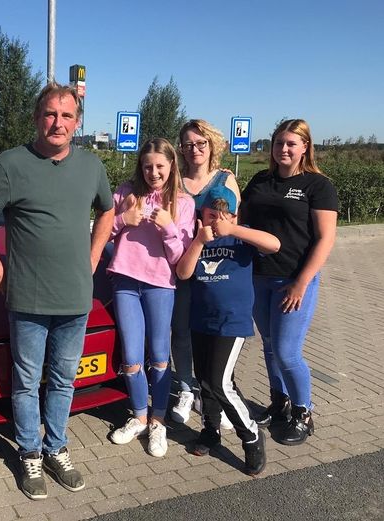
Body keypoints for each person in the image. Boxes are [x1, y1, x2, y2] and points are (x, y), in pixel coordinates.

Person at [0, 82, 114, 500]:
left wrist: (93, 258)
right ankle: (29, 452)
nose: (57, 123)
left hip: (75, 296)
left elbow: (108, 211)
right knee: (27, 381)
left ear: (77, 122)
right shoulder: (12, 164)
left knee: (64, 379)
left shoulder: (91, 166)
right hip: (28, 298)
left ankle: (56, 448)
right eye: (50, 114)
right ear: (36, 118)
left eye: (66, 116)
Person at [240, 119, 338, 445]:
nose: (283, 149)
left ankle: (303, 412)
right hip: (258, 277)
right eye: (279, 142)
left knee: (287, 352)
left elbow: (325, 239)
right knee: (269, 344)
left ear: (305, 147)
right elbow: (241, 220)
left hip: (293, 279)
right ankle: (279, 402)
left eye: (291, 143)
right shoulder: (260, 180)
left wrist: (302, 282)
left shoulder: (317, 186)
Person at [176, 186, 280, 475]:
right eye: (212, 215)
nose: (217, 222)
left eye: (224, 216)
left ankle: (251, 435)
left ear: (235, 216)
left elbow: (274, 244)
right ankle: (210, 430)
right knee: (205, 381)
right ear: (202, 215)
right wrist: (199, 240)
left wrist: (234, 230)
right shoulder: (197, 238)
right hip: (201, 320)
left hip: (231, 322)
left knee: (221, 382)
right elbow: (183, 272)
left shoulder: (241, 237)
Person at [106, 138, 194, 456]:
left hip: (160, 285)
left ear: (171, 166)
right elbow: (100, 234)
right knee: (131, 358)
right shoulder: (125, 193)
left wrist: (168, 228)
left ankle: (158, 421)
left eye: (159, 166)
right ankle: (140, 417)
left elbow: (179, 259)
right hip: (125, 282)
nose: (153, 172)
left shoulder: (183, 203)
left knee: (158, 356)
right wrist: (122, 219)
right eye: (147, 166)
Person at [170, 119, 241, 426]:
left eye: (201, 143)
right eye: (188, 144)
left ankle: (215, 394)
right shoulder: (175, 179)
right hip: (183, 266)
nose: (194, 149)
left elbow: (236, 225)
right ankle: (187, 389)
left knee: (215, 332)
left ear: (212, 145)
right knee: (181, 330)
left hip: (216, 268)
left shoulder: (225, 178)